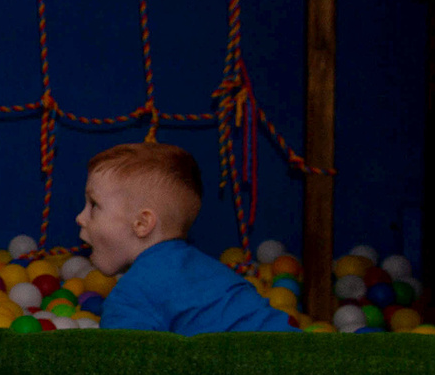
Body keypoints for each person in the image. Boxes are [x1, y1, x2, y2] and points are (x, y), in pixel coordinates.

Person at [79, 143, 293, 333]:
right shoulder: (208, 270)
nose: (80, 218)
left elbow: (116, 370)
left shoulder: (133, 295)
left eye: (94, 205)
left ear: (142, 224)